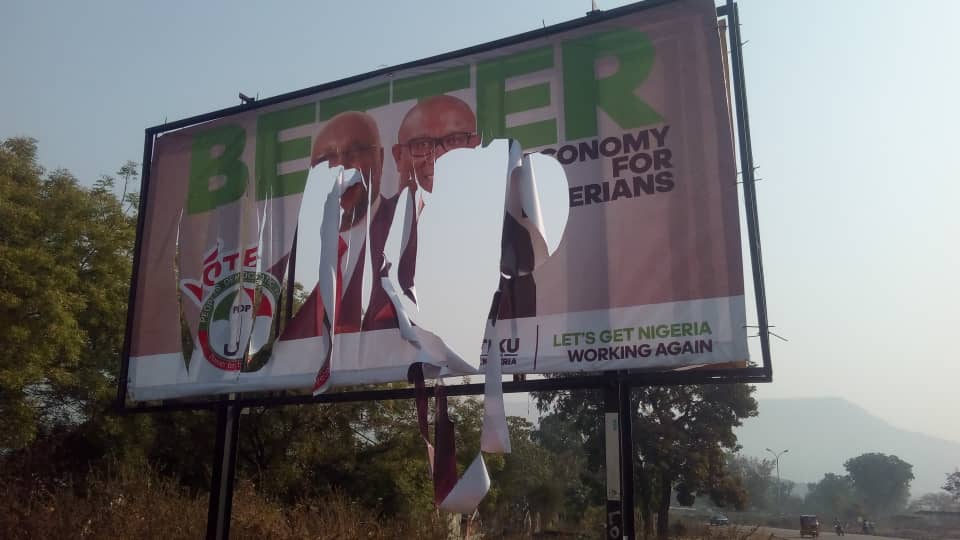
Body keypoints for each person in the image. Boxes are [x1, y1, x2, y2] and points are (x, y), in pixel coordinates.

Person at [363, 95, 480, 329]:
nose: (436, 156)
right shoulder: (364, 235)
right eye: (421, 145)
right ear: (398, 157)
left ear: (475, 147)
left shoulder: (501, 232)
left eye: (455, 141)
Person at [310, 111, 384, 333]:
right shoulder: (286, 256)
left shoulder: (403, 231)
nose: (341, 166)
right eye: (327, 159)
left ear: (381, 158)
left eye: (356, 151)